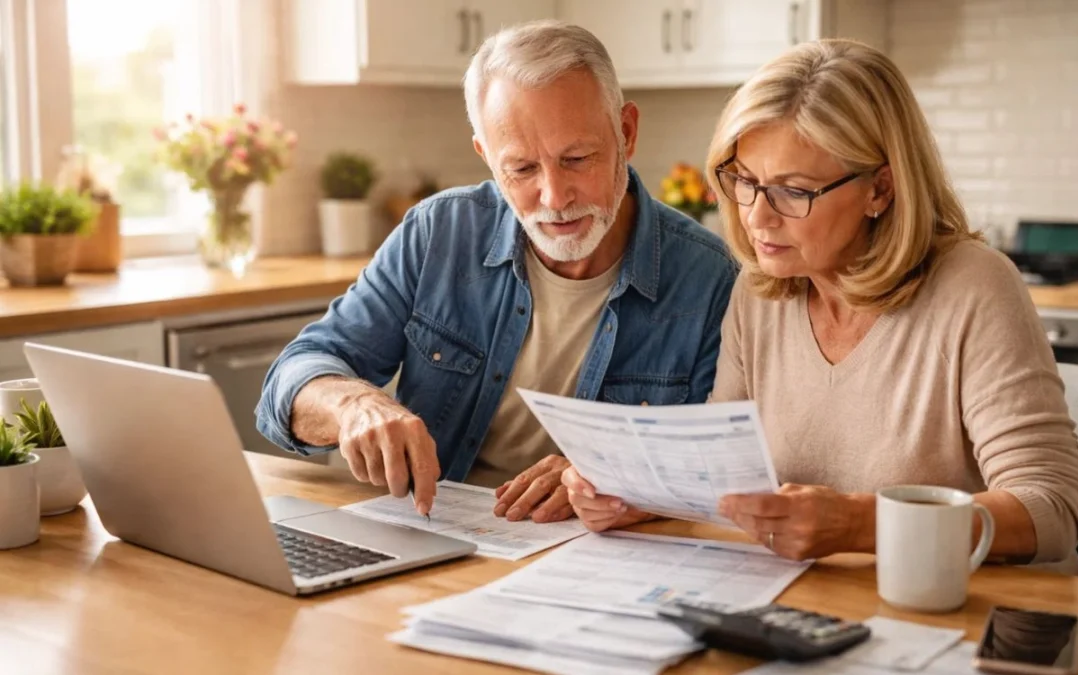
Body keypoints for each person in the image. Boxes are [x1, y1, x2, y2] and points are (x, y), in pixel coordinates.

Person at [563, 38, 1078, 571]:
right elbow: (725, 480)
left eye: (793, 190)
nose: (756, 218)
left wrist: (861, 524)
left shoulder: (973, 287)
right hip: (796, 606)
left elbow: (1052, 510)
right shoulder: (760, 291)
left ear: (880, 189)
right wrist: (636, 495)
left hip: (934, 618)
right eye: (744, 181)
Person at [255, 20, 736, 524]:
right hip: (439, 533)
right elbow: (290, 382)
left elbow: (717, 464)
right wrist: (353, 405)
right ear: (486, 157)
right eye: (523, 169)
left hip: (606, 553)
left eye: (577, 159)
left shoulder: (709, 278)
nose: (554, 197)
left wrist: (608, 475)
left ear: (627, 132)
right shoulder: (438, 232)